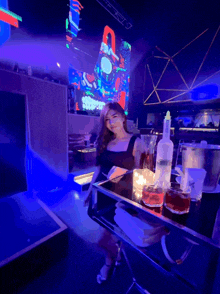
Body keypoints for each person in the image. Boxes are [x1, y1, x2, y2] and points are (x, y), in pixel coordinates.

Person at [84, 102, 147, 283]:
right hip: (101, 195)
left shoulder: (137, 142)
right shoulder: (104, 142)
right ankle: (117, 255)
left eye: (115, 116)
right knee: (111, 232)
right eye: (107, 119)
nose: (111, 122)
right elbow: (97, 170)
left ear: (123, 117)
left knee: (102, 239)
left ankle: (108, 262)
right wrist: (89, 192)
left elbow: (142, 174)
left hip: (120, 198)